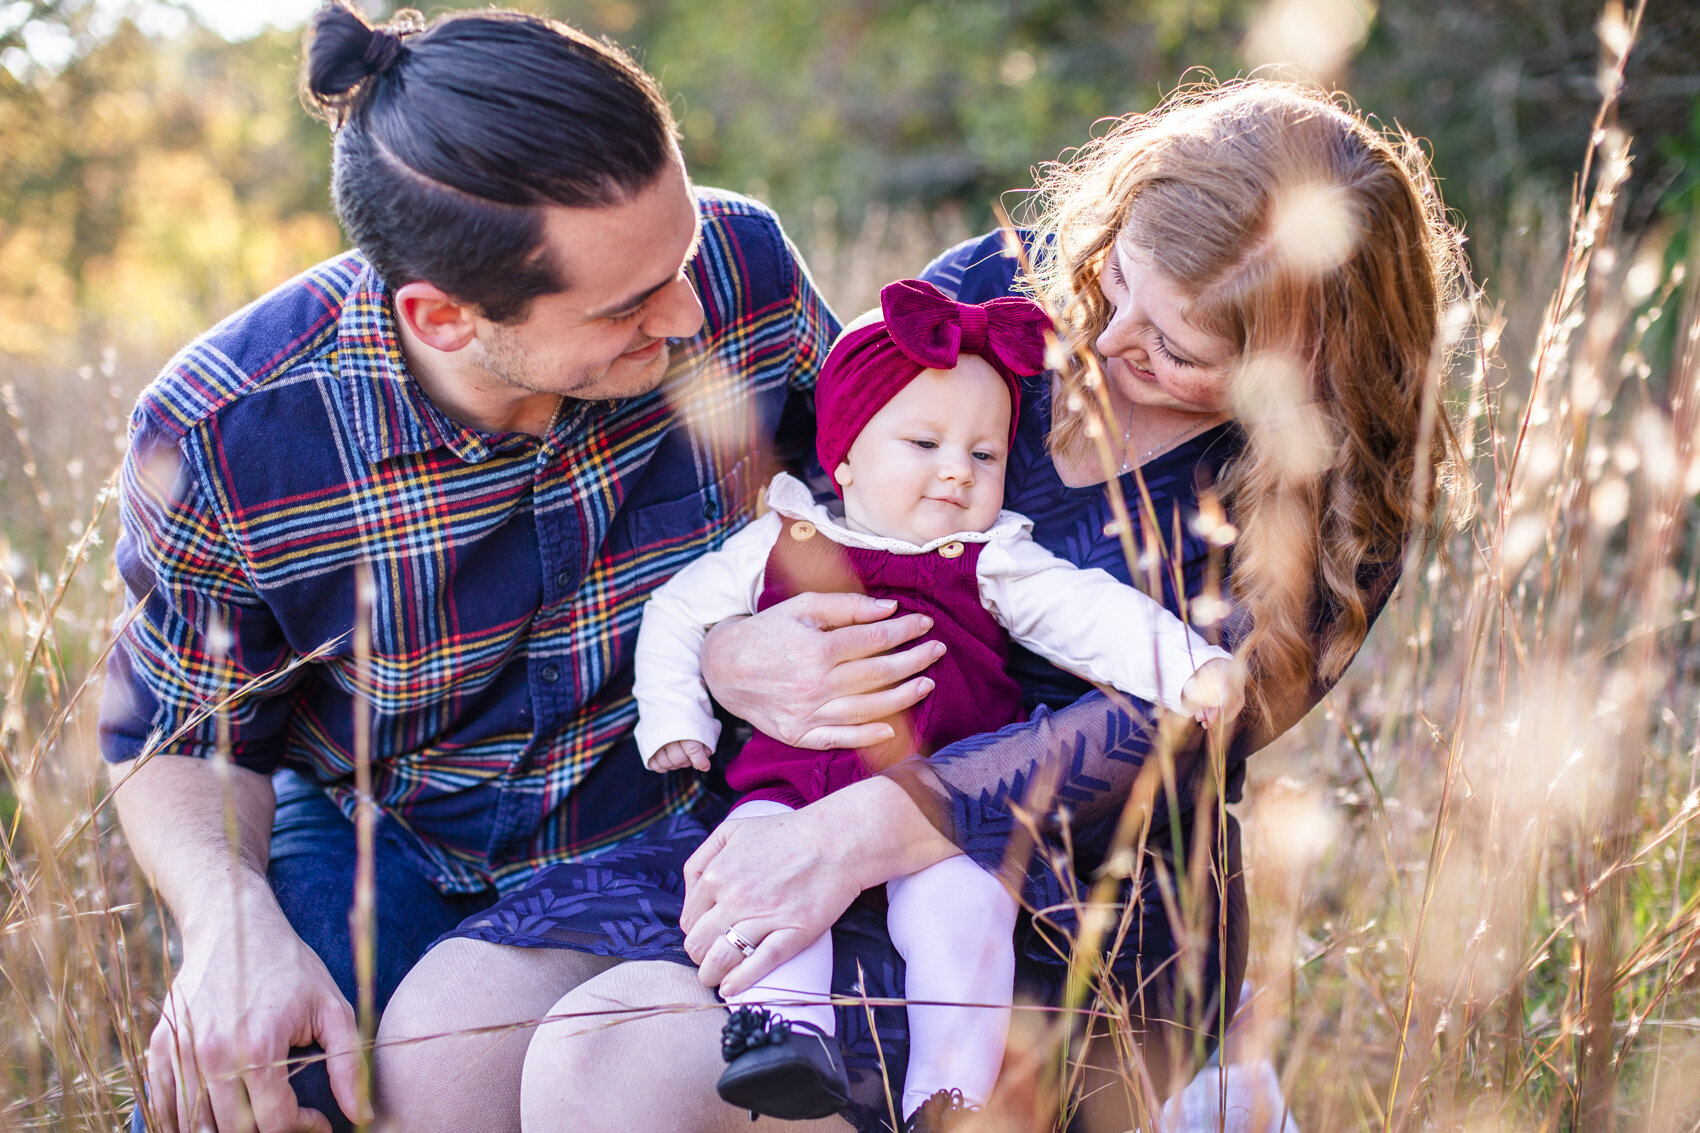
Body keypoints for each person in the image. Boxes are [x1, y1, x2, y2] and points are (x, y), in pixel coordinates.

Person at [378, 79, 1464, 1133]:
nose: (1109, 332)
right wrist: (729, 650)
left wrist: (879, 824)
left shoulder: (1334, 493)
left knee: (619, 1058)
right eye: (1114, 275)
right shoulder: (990, 292)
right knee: (445, 1032)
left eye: (1176, 347)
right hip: (805, 791)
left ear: (1304, 363)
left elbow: (1181, 725)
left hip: (1052, 887)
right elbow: (816, 495)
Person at [99, 6, 873, 1133]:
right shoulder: (225, 432)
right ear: (443, 318)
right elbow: (181, 734)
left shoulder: (743, 267)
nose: (691, 311)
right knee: (255, 1095)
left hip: (686, 805)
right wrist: (228, 916)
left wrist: (738, 636)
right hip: (397, 824)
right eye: (627, 307)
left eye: (684, 258)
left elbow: (880, 509)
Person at [629, 278, 1241, 1130]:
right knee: (764, 891)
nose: (956, 469)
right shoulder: (781, 537)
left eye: (984, 456)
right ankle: (781, 1037)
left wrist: (1189, 665)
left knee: (966, 912)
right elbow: (677, 615)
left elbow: (1096, 617)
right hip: (789, 794)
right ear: (843, 459)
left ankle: (950, 1093)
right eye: (922, 442)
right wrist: (674, 718)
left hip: (932, 810)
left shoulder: (989, 558)